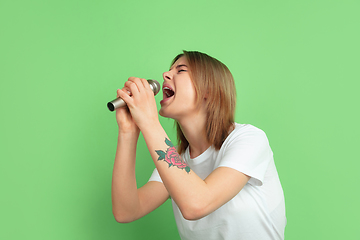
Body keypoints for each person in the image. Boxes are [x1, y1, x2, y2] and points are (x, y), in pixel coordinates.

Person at [111, 50, 286, 240]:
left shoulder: (248, 139)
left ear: (208, 90)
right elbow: (126, 211)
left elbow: (197, 203)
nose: (166, 75)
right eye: (169, 70)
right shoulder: (177, 161)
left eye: (181, 70)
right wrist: (127, 132)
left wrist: (149, 122)